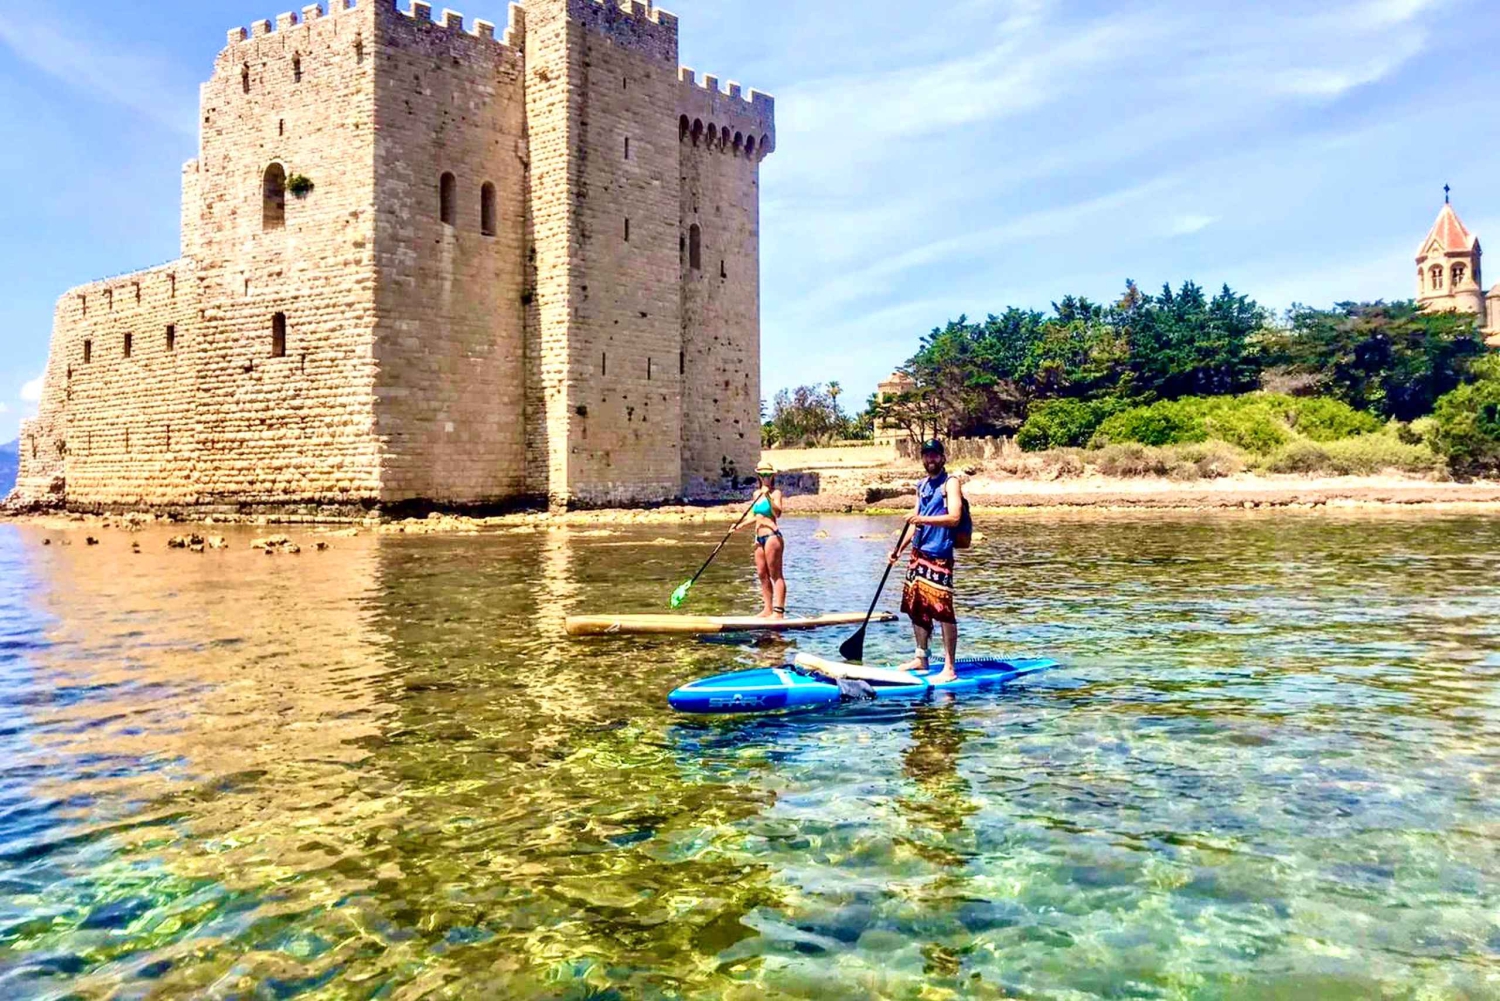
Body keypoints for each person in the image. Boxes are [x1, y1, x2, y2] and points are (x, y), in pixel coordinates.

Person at [889, 439, 964, 681]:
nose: (930, 460)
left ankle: (949, 668)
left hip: (939, 555)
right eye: (926, 456)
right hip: (917, 555)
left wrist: (922, 519)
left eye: (934, 456)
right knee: (916, 609)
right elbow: (914, 522)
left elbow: (954, 517)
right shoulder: (921, 485)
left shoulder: (950, 483)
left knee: (942, 611)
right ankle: (921, 658)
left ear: (943, 458)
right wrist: (898, 549)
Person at [735, 461, 786, 618]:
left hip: (772, 536)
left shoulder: (775, 493)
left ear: (772, 476)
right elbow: (754, 516)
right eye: (762, 475)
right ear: (758, 476)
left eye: (768, 475)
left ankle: (779, 612)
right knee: (762, 573)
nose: (765, 477)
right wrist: (738, 526)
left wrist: (768, 496)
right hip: (759, 537)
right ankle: (767, 608)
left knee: (775, 574)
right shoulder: (756, 495)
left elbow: (777, 513)